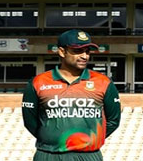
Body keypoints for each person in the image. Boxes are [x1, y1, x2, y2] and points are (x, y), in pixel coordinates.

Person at [22, 29, 121, 161]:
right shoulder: (38, 82)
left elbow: (113, 121)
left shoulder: (104, 82)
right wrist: (51, 139)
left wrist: (90, 140)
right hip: (48, 155)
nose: (84, 56)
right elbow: (30, 122)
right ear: (62, 52)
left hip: (89, 156)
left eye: (87, 51)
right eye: (78, 51)